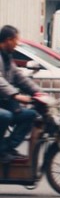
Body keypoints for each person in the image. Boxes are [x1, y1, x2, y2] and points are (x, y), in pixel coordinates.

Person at [0, 25, 42, 162]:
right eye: (15, 40)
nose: (17, 44)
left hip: (4, 101)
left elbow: (20, 77)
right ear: (7, 40)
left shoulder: (7, 57)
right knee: (5, 116)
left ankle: (7, 147)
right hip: (5, 103)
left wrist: (39, 93)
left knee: (30, 115)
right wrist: (15, 95)